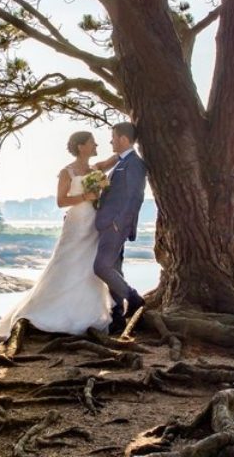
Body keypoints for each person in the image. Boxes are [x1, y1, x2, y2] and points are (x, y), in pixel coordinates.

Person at [0, 130, 118, 342]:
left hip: (93, 223)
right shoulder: (67, 172)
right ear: (81, 146)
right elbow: (61, 201)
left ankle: (86, 316)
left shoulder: (94, 169)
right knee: (66, 265)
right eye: (92, 142)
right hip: (76, 223)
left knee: (88, 267)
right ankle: (49, 314)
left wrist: (129, 144)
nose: (96, 145)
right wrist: (85, 196)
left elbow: (113, 160)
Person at [93, 121, 147, 334]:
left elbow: (135, 196)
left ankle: (134, 298)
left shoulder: (134, 164)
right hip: (108, 224)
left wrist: (119, 222)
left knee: (101, 267)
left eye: (113, 137)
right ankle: (118, 319)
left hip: (115, 226)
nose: (111, 141)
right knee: (114, 269)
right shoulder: (121, 162)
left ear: (124, 139)